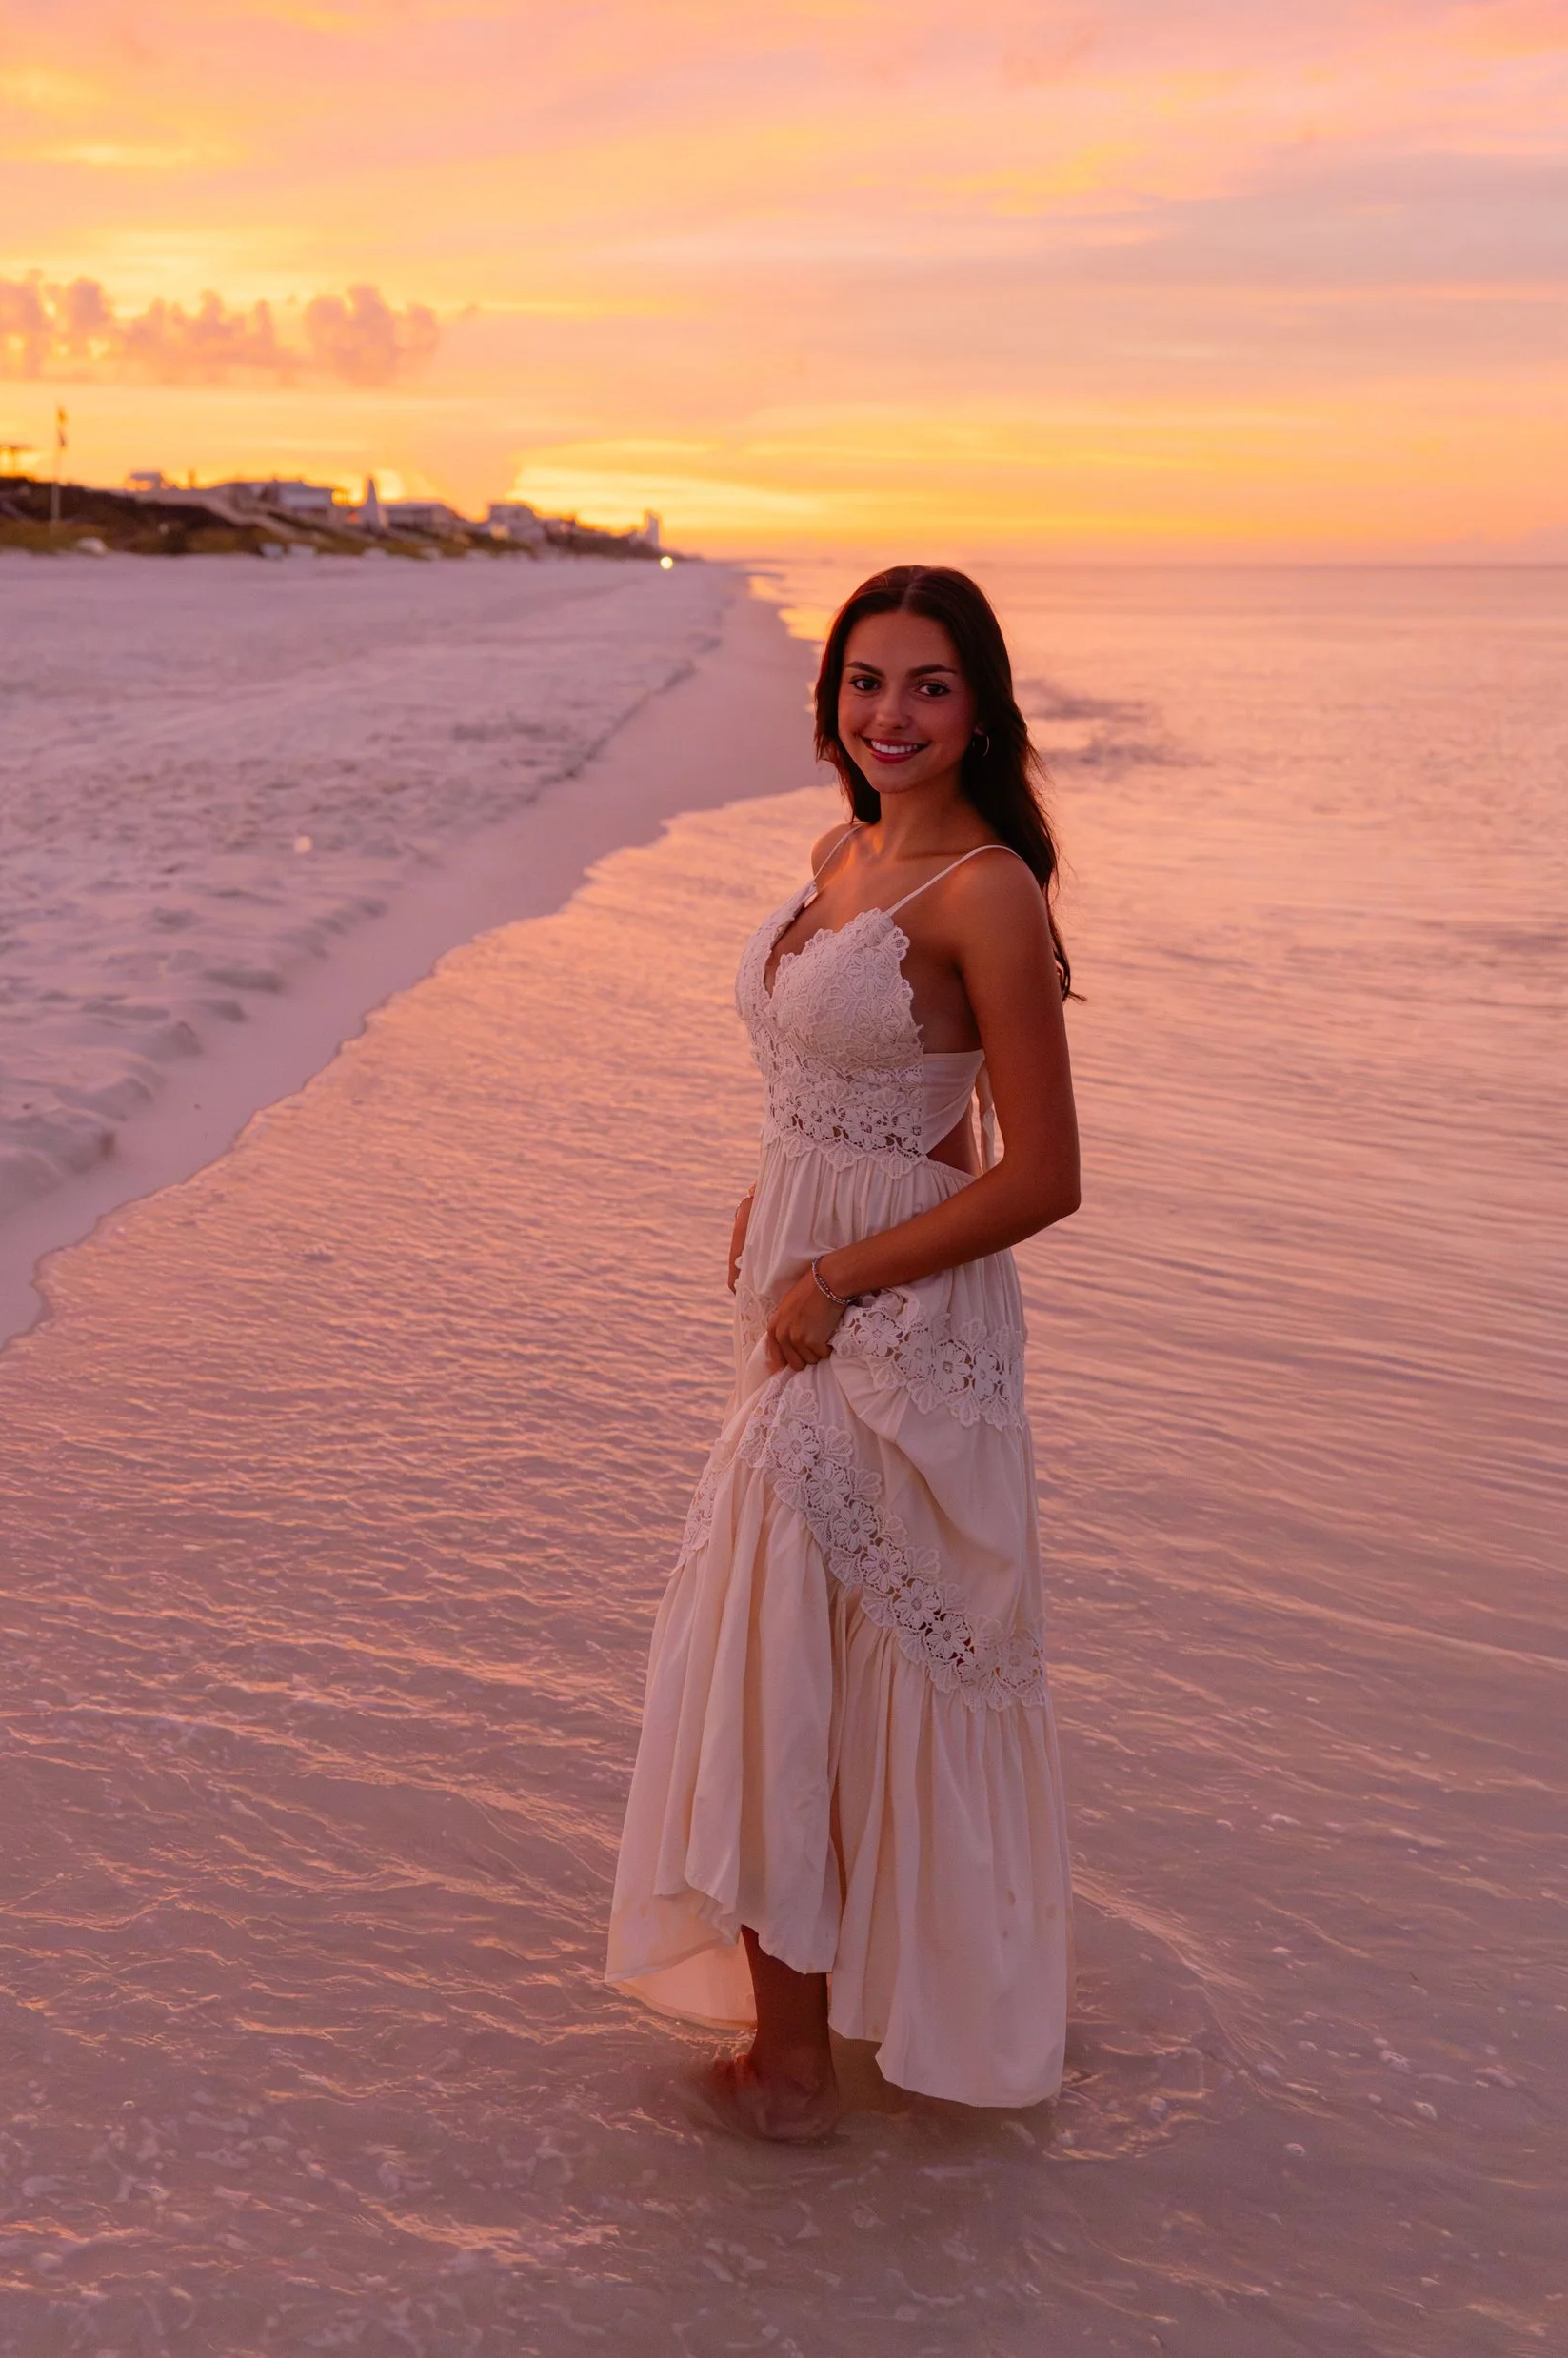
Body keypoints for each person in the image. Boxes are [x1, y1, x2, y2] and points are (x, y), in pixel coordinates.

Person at [606, 564, 1081, 2141]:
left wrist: (840, 1268)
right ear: (832, 703)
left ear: (980, 705)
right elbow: (904, 1095)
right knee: (797, 1653)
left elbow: (1041, 1171)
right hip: (804, 1300)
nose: (893, 714)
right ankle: (822, 2026)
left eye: (929, 686)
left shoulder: (986, 891)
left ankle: (796, 2070)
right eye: (867, 682)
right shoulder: (842, 853)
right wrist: (781, 1185)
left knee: (780, 1656)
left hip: (898, 1328)